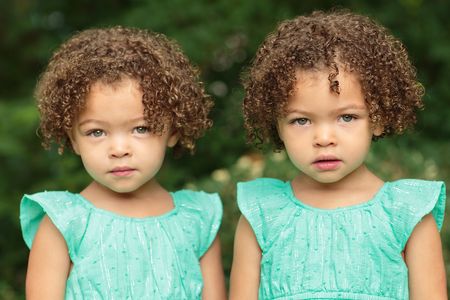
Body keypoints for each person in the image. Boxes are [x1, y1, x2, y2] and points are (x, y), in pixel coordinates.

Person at [230, 9, 447, 300]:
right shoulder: (262, 214)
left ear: (377, 118)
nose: (323, 139)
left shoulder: (407, 214)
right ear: (277, 126)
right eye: (301, 121)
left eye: (346, 117)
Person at [20, 26, 226, 300]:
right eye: (96, 132)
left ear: (173, 132)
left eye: (140, 129)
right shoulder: (64, 224)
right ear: (73, 140)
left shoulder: (197, 219)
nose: (119, 149)